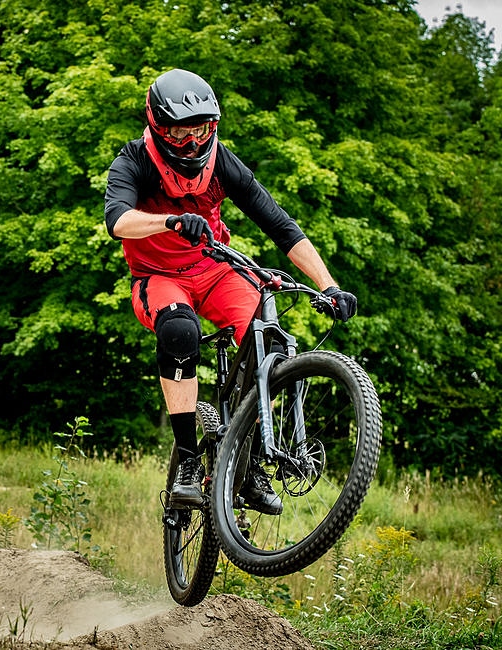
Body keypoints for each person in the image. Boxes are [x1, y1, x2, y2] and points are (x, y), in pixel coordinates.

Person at [103, 68, 356, 514]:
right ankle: (186, 459)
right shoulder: (133, 161)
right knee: (180, 333)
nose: (192, 144)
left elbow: (281, 226)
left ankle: (251, 463)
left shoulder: (222, 162)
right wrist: (171, 221)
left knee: (268, 338)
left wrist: (329, 285)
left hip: (215, 269)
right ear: (160, 127)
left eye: (200, 131)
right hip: (158, 277)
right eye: (180, 134)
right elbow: (118, 221)